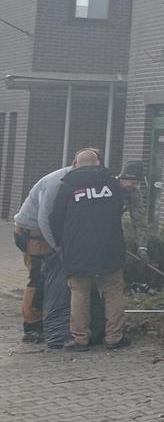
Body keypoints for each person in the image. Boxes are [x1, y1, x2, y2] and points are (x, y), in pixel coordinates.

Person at [15, 149, 104, 348]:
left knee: (52, 279)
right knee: (38, 278)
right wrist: (57, 247)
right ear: (75, 165)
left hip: (52, 233)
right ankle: (31, 326)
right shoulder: (56, 182)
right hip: (34, 232)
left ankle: (48, 323)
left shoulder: (82, 179)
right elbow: (45, 219)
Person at [51, 157, 131, 351]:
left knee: (79, 291)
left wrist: (62, 243)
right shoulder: (112, 184)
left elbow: (55, 218)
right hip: (109, 246)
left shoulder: (68, 185)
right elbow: (119, 210)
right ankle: (114, 337)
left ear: (77, 164)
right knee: (113, 290)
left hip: (78, 248)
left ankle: (80, 339)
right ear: (97, 163)